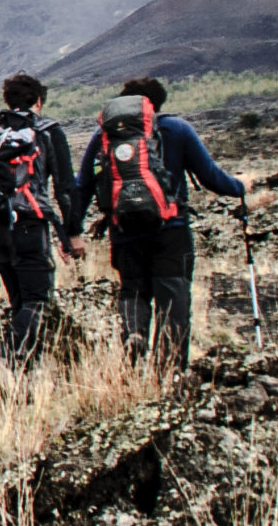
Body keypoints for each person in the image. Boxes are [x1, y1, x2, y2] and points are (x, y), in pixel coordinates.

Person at [78, 75, 249, 368]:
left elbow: (83, 184)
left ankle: (134, 338)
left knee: (133, 291)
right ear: (156, 104)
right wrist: (240, 187)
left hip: (124, 233)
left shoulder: (104, 136)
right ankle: (169, 373)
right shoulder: (177, 129)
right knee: (173, 301)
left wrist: (72, 230)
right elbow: (210, 176)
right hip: (171, 232)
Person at [0, 73, 85, 361]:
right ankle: (5, 360)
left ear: (6, 101)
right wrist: (71, 232)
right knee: (36, 300)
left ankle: (23, 372)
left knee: (18, 300)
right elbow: (65, 187)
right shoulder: (47, 131)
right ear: (38, 101)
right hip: (30, 224)